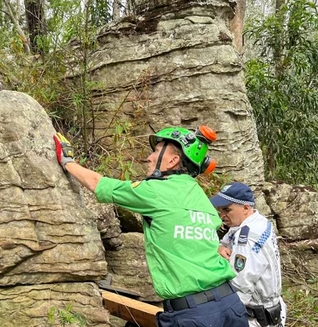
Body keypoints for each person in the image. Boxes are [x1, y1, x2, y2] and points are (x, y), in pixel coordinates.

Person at [53, 127, 248, 327]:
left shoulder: (156, 191)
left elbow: (98, 184)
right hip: (230, 306)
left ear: (172, 161)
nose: (149, 157)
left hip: (193, 315)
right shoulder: (201, 198)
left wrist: (68, 162)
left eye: (156, 152)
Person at [210, 182, 286, 327]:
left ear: (245, 207)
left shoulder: (248, 237)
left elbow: (240, 286)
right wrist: (219, 247)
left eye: (227, 209)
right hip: (268, 312)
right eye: (220, 210)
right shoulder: (254, 222)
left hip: (256, 318)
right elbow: (226, 242)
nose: (222, 215)